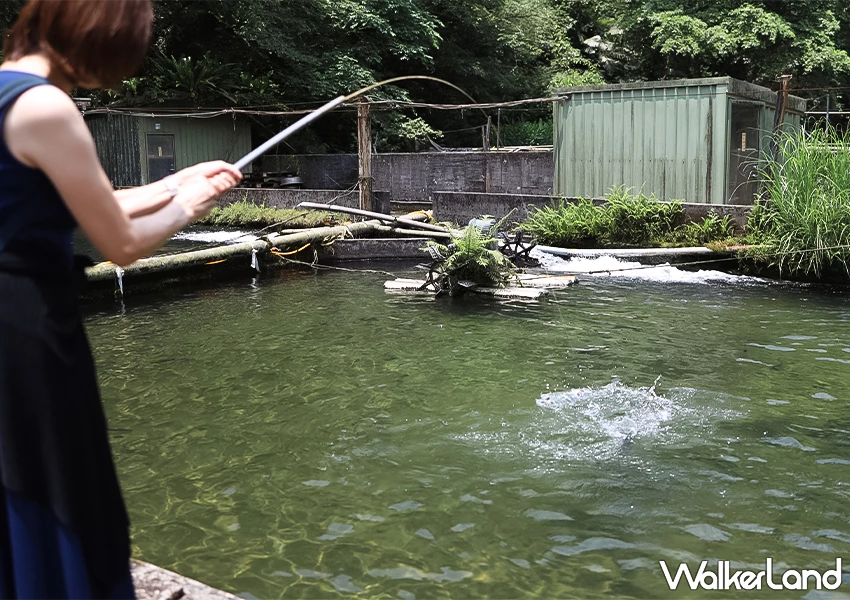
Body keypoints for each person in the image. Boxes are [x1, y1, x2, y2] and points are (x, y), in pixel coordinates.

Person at [0, 0, 242, 597]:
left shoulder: (8, 93)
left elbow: (71, 204)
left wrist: (172, 182)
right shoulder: (47, 105)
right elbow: (120, 241)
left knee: (16, 472)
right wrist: (192, 206)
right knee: (56, 470)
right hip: (26, 329)